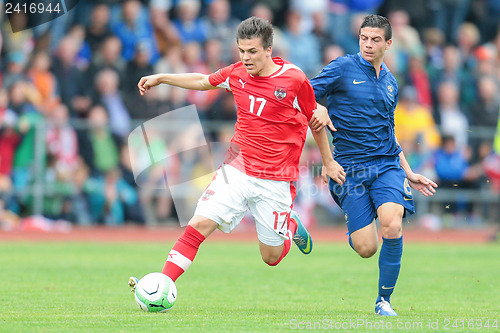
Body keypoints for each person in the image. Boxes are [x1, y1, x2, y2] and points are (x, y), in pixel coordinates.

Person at [129, 17, 344, 291]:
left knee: (271, 258)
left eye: (252, 51)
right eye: (242, 51)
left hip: (275, 178)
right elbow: (204, 81)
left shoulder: (293, 79)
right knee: (199, 223)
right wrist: (162, 78)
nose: (246, 57)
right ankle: (161, 285)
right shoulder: (236, 73)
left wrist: (327, 161)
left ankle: (290, 226)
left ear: (268, 50)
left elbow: (316, 119)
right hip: (237, 169)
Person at [310, 15, 438, 316]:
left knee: (392, 224)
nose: (368, 44)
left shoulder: (391, 82)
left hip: (386, 165)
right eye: (364, 38)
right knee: (366, 247)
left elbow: (389, 133)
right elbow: (305, 95)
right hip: (349, 169)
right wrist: (320, 106)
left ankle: (384, 301)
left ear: (388, 43)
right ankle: (356, 222)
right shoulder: (342, 68)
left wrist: (407, 171)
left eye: (375, 39)